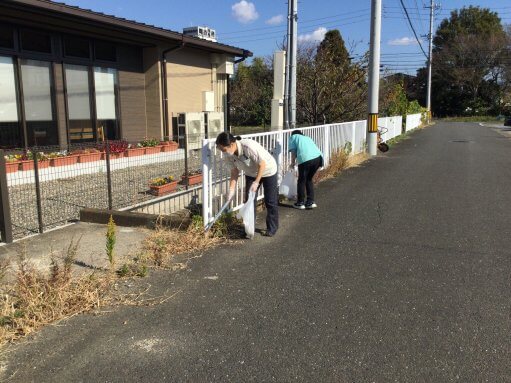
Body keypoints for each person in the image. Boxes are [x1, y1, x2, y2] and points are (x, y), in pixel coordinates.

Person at [216, 132, 279, 237]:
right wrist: (231, 190)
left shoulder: (248, 147)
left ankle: (272, 228)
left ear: (231, 144)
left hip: (268, 170)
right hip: (251, 173)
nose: (223, 152)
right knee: (249, 201)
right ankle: (249, 229)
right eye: (221, 150)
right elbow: (234, 172)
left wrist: (256, 181)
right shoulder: (229, 155)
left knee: (270, 201)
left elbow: (262, 164)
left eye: (224, 150)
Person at [288, 130, 323, 210]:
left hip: (306, 159)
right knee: (309, 179)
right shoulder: (307, 138)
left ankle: (300, 203)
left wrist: (292, 163)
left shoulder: (293, 137)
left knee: (301, 181)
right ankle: (310, 202)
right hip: (318, 158)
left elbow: (293, 152)